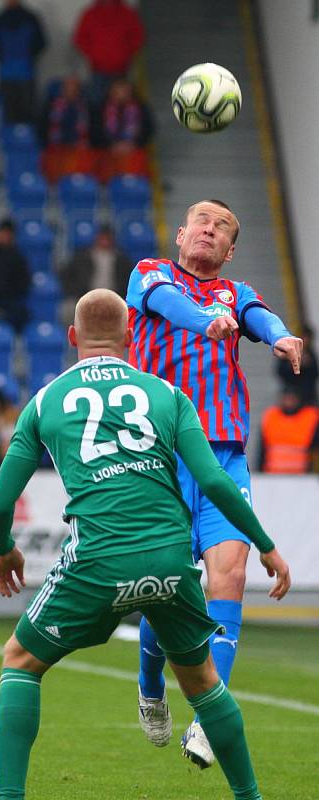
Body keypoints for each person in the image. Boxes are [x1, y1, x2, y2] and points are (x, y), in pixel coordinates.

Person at [0, 288, 290, 800]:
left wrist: (4, 547)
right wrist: (264, 545)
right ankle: (249, 796)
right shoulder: (169, 395)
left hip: (98, 558)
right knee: (204, 683)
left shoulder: (44, 402)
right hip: (171, 558)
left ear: (71, 337)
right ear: (130, 337)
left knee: (20, 660)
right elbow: (214, 482)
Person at [125, 199, 302, 767]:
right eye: (201, 220)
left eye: (223, 225)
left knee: (228, 576)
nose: (210, 228)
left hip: (222, 454)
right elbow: (169, 306)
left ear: (229, 250)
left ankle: (207, 716)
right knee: (165, 588)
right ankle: (151, 687)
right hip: (159, 454)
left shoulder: (237, 292)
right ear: (181, 234)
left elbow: (259, 317)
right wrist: (206, 321)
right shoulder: (150, 274)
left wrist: (281, 336)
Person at [73, 0, 145, 108]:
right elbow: (80, 38)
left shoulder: (127, 13)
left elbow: (138, 37)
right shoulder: (90, 14)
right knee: (96, 104)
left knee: (123, 104)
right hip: (98, 70)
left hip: (121, 69)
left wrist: (125, 54)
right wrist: (95, 55)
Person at [58, 223, 132, 326]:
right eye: (102, 237)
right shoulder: (82, 257)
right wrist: (76, 292)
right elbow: (66, 275)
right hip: (84, 296)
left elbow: (129, 282)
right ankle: (71, 340)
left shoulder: (122, 260)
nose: (105, 241)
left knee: (131, 312)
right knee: (68, 309)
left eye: (108, 238)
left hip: (115, 298)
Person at [0, 0, 47, 125]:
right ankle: (11, 143)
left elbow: (41, 43)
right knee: (8, 116)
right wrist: (4, 58)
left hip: (26, 75)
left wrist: (29, 57)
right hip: (6, 76)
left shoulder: (31, 18)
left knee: (28, 115)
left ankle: (26, 143)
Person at [94, 77, 153, 181]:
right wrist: (111, 145)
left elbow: (149, 129)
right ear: (111, 92)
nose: (121, 94)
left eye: (125, 91)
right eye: (118, 91)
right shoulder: (101, 108)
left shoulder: (141, 108)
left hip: (133, 153)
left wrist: (133, 144)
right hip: (108, 155)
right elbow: (95, 131)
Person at [40, 76, 96, 182]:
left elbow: (92, 129)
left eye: (74, 89)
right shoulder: (51, 106)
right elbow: (44, 127)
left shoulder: (86, 107)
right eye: (67, 88)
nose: (71, 92)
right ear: (62, 90)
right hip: (56, 150)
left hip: (79, 150)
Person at [258, 387, 319, 474]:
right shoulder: (271, 417)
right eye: (287, 398)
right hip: (273, 475)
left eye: (292, 399)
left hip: (302, 476)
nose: (289, 402)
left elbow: (314, 449)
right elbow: (262, 450)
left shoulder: (309, 418)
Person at [275, 322, 318, 405]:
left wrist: (308, 365)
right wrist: (293, 364)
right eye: (303, 337)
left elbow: (315, 374)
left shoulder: (311, 355)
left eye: (307, 338)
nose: (305, 340)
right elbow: (280, 371)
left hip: (307, 396)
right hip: (291, 393)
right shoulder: (288, 351)